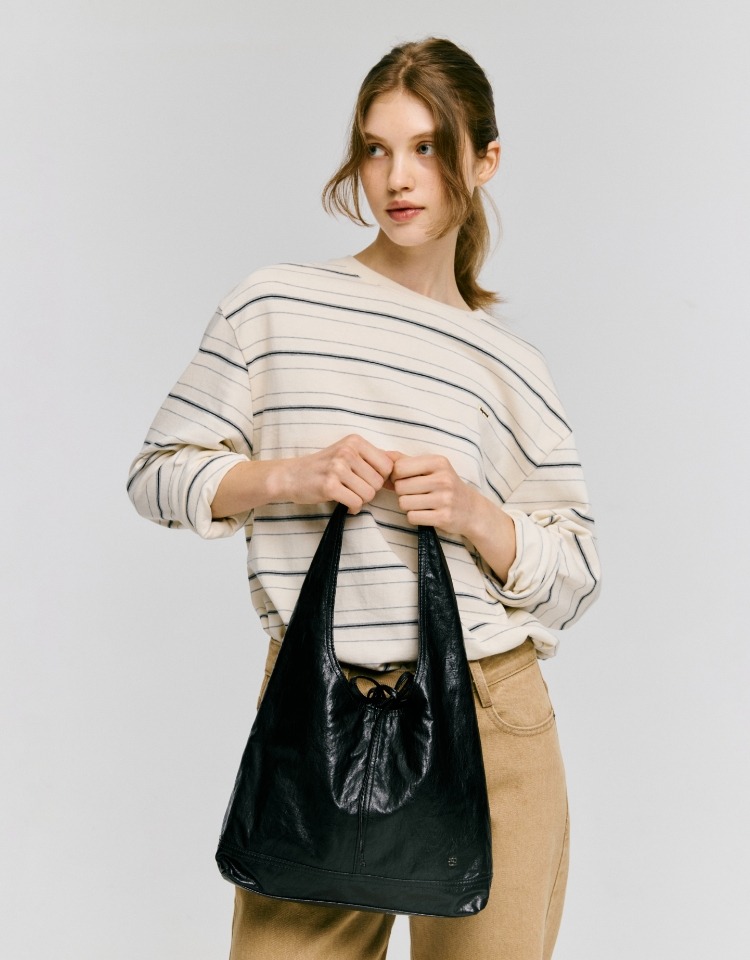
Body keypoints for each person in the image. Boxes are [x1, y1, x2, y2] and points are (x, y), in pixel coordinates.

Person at [127, 37, 601, 960]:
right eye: (377, 149)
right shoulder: (274, 306)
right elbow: (157, 474)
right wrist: (287, 478)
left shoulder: (510, 365)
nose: (398, 177)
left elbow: (575, 576)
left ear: (484, 160)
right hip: (313, 706)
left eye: (427, 147)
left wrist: (474, 513)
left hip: (490, 715)